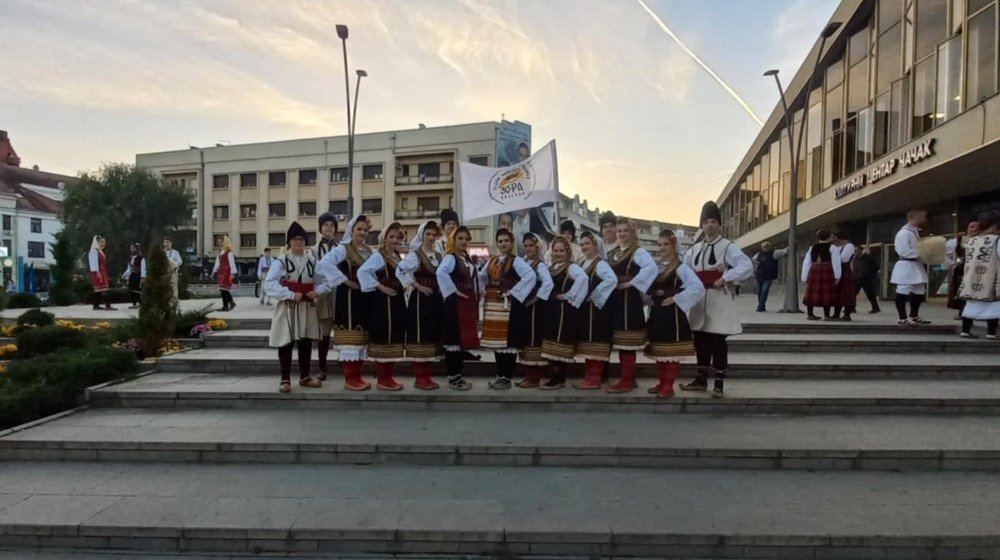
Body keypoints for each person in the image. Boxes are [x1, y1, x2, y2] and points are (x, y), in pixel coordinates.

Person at [681, 201, 753, 398]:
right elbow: (684, 270)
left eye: (713, 221)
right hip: (698, 300)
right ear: (701, 225)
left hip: (717, 299)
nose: (710, 225)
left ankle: (719, 383)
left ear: (719, 225)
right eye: (706, 222)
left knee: (718, 342)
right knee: (701, 342)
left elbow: (746, 265)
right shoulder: (693, 250)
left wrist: (726, 277)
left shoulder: (727, 246)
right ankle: (701, 379)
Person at [265, 221, 339, 393]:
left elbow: (328, 281)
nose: (299, 243)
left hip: (307, 307)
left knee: (305, 341)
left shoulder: (313, 261)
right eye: (295, 240)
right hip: (288, 307)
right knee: (285, 342)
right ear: (289, 242)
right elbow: (269, 285)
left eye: (302, 240)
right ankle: (285, 379)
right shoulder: (281, 261)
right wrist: (290, 294)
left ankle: (305, 376)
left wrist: (318, 291)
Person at [645, 230, 704, 398]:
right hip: (657, 314)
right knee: (659, 351)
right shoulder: (658, 267)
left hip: (672, 316)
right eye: (659, 244)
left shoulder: (682, 267)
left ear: (673, 246)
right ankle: (662, 382)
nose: (662, 248)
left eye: (666, 244)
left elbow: (697, 287)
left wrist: (676, 299)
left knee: (671, 352)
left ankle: (668, 386)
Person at [317, 215, 373, 391]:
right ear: (351, 230)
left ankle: (358, 375)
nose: (362, 233)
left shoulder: (369, 251)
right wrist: (344, 280)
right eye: (359, 229)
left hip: (363, 298)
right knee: (351, 339)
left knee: (361, 338)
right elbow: (324, 263)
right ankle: (351, 378)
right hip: (348, 298)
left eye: (365, 230)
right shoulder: (343, 249)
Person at [479, 228, 536, 390]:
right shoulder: (492, 260)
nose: (503, 244)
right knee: (497, 342)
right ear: (497, 243)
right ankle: (500, 376)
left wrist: (514, 292)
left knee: (508, 342)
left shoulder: (516, 261)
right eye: (500, 241)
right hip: (493, 305)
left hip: (508, 306)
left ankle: (506, 378)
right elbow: (482, 276)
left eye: (506, 241)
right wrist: (483, 290)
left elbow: (530, 276)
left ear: (511, 243)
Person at [605, 217, 657, 393]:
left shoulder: (638, 252)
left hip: (629, 300)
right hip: (616, 299)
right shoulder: (613, 253)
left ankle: (626, 381)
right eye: (619, 231)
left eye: (625, 231)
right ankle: (629, 378)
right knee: (620, 341)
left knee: (627, 341)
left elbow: (651, 268)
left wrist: (631, 283)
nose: (622, 234)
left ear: (632, 232)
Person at [358, 222, 407, 391]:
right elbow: (362, 272)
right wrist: (381, 287)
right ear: (384, 239)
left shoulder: (397, 256)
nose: (394, 240)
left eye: (396, 237)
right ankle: (382, 378)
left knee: (394, 336)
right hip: (383, 303)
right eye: (390, 237)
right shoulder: (379, 256)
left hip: (396, 302)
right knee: (383, 336)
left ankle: (389, 377)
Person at [396, 220, 444, 390]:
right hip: (420, 302)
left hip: (435, 301)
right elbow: (400, 269)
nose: (431, 238)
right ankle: (420, 377)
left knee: (431, 336)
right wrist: (416, 285)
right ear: (422, 236)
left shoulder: (439, 255)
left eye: (433, 234)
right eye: (428, 234)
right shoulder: (415, 255)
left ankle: (427, 375)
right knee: (419, 336)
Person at [539, 236, 588, 389]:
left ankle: (559, 378)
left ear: (568, 252)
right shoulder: (550, 267)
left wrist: (568, 295)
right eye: (555, 250)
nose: (558, 253)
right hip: (550, 310)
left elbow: (583, 279)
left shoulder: (571, 267)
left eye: (561, 250)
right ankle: (554, 376)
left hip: (563, 311)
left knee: (560, 344)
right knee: (551, 342)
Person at [572, 231, 618, 390]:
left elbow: (612, 279)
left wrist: (596, 295)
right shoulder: (584, 263)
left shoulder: (600, 263)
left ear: (595, 246)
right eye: (582, 244)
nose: (584, 247)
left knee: (595, 342)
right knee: (587, 343)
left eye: (587, 244)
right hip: (586, 310)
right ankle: (589, 376)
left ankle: (595, 378)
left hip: (597, 312)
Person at [436, 226, 479, 390]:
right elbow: (441, 272)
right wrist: (454, 290)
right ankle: (453, 378)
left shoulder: (464, 258)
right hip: (454, 304)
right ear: (453, 240)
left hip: (465, 303)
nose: (464, 242)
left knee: (460, 341)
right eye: (460, 238)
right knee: (453, 340)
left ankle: (458, 376)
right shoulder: (451, 257)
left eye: (466, 239)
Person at [510, 233, 554, 388]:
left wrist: (537, 298)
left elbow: (548, 284)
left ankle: (534, 377)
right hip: (523, 306)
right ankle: (528, 374)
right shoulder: (522, 262)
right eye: (526, 245)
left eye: (531, 245)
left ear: (538, 247)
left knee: (533, 338)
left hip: (535, 308)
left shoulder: (540, 265)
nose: (528, 248)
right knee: (524, 337)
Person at [958, 211, 1000, 339]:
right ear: (993, 226)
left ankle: (965, 330)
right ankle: (991, 332)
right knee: (993, 305)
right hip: (990, 277)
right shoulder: (997, 240)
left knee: (970, 304)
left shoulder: (971, 241)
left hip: (971, 278)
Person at [890, 210, 932, 325]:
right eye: (923, 216)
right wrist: (921, 252)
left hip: (915, 264)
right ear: (916, 217)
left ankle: (914, 315)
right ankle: (902, 317)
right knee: (903, 290)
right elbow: (903, 250)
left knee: (919, 290)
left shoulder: (914, 232)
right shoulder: (904, 233)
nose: (925, 218)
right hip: (906, 264)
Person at [312, 212, 340, 380]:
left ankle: (345, 362)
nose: (329, 227)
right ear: (320, 228)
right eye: (325, 225)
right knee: (323, 335)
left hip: (339, 295)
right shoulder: (313, 251)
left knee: (343, 333)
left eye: (332, 225)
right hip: (322, 297)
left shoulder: (342, 249)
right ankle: (322, 367)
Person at [801, 229, 842, 321]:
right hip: (827, 270)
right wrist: (837, 276)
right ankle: (826, 316)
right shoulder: (833, 248)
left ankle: (810, 314)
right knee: (826, 292)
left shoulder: (812, 247)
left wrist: (804, 276)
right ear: (828, 237)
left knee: (811, 292)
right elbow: (836, 262)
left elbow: (807, 262)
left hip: (814, 270)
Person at [947, 217, 980, 319]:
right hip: (962, 270)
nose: (974, 229)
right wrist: (951, 263)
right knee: (961, 292)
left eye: (977, 227)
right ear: (967, 228)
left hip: (978, 270)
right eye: (972, 227)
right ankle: (962, 313)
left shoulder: (984, 240)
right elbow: (944, 251)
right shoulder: (959, 240)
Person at [751, 241, 787, 312]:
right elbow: (753, 260)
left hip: (768, 276)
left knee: (764, 291)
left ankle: (760, 307)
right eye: (764, 246)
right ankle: (762, 305)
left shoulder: (774, 253)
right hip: (759, 276)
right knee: (759, 292)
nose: (765, 248)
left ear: (769, 247)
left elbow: (784, 251)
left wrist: (789, 247)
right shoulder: (759, 254)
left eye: (766, 246)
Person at [831, 232, 857, 321]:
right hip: (838, 270)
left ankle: (847, 314)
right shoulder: (838, 247)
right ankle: (836, 313)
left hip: (845, 271)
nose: (834, 240)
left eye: (834, 238)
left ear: (839, 238)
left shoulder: (849, 246)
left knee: (846, 292)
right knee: (838, 293)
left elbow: (844, 258)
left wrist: (833, 257)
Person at [88, 235, 116, 311]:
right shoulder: (94, 251)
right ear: (97, 242)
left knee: (99, 289)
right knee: (104, 289)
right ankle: (108, 305)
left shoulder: (100, 251)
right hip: (98, 271)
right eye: (101, 242)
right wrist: (98, 273)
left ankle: (96, 305)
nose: (103, 243)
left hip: (102, 271)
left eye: (104, 242)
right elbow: (94, 263)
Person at [212, 236, 237, 312]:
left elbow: (232, 263)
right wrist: (214, 272)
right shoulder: (220, 252)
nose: (219, 243)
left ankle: (227, 305)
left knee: (224, 289)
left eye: (221, 242)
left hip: (227, 271)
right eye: (219, 242)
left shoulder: (229, 252)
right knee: (222, 289)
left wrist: (232, 273)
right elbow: (217, 263)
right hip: (221, 271)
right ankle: (229, 303)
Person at [853, 245, 881, 313]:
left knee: (870, 294)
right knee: (853, 293)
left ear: (861, 250)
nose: (855, 252)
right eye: (855, 251)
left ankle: (875, 308)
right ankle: (851, 308)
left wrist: (872, 276)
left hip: (867, 279)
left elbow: (876, 267)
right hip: (857, 278)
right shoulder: (855, 258)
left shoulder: (869, 258)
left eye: (856, 250)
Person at [121, 243, 146, 309]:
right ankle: (134, 303)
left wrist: (143, 277)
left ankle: (141, 303)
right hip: (132, 275)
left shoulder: (141, 257)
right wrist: (125, 275)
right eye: (131, 248)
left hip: (138, 275)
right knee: (130, 289)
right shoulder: (131, 257)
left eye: (133, 248)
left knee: (137, 289)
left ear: (137, 249)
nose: (132, 249)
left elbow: (143, 268)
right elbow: (129, 268)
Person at [162, 237, 183, 304]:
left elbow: (180, 261)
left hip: (173, 273)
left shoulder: (175, 252)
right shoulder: (162, 252)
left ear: (171, 243)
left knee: (173, 288)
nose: (166, 244)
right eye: (164, 242)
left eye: (167, 242)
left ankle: (174, 301)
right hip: (164, 273)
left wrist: (173, 264)